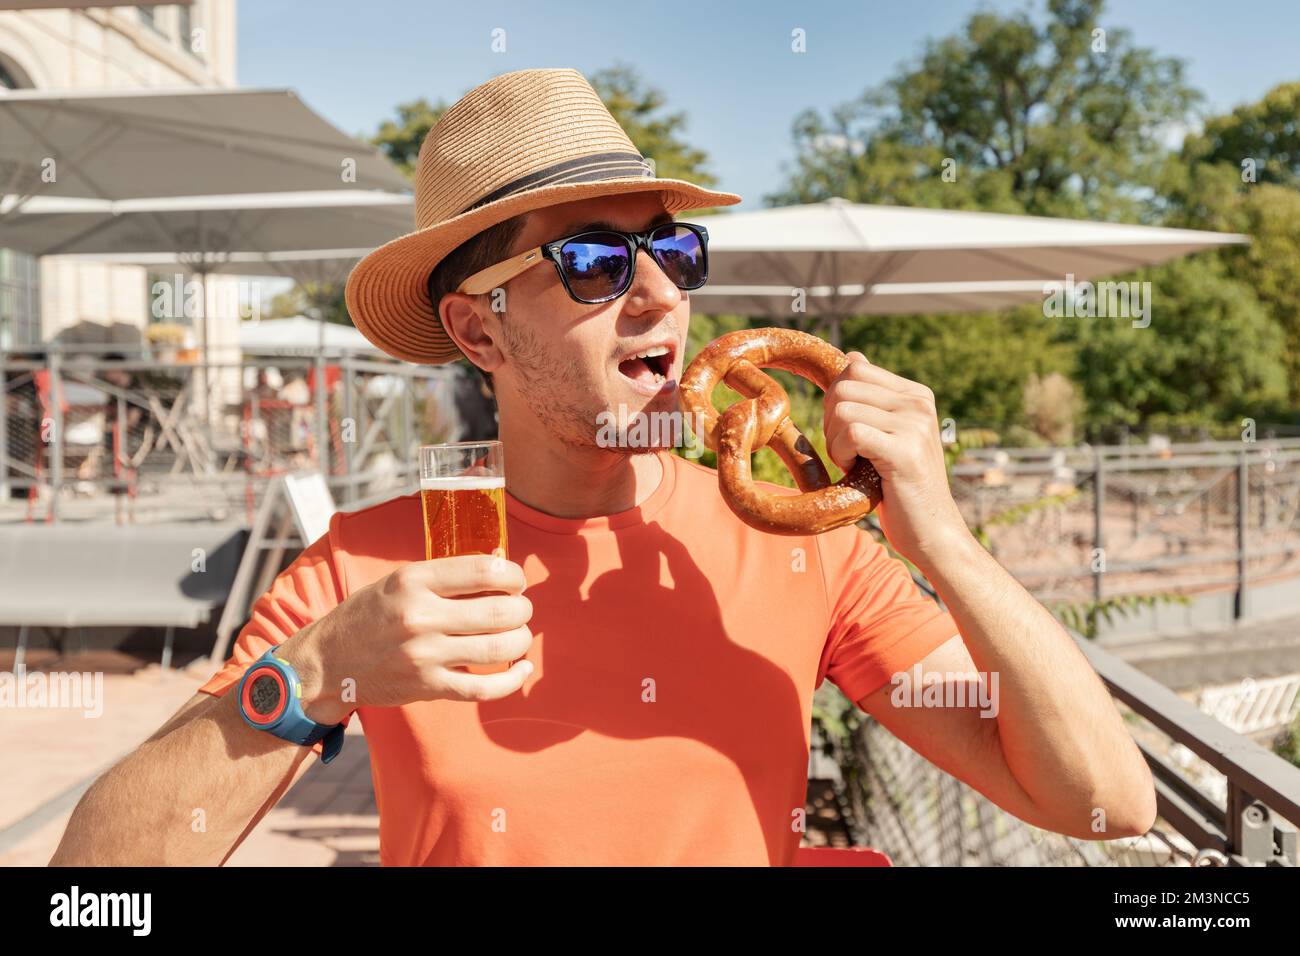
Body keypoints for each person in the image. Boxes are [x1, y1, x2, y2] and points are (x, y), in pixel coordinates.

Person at [51, 68, 1155, 867]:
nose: (661, 293)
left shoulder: (801, 543)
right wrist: (315, 670)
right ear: (477, 333)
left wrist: (945, 543)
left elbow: (1105, 805)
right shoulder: (365, 570)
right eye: (590, 260)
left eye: (671, 248)